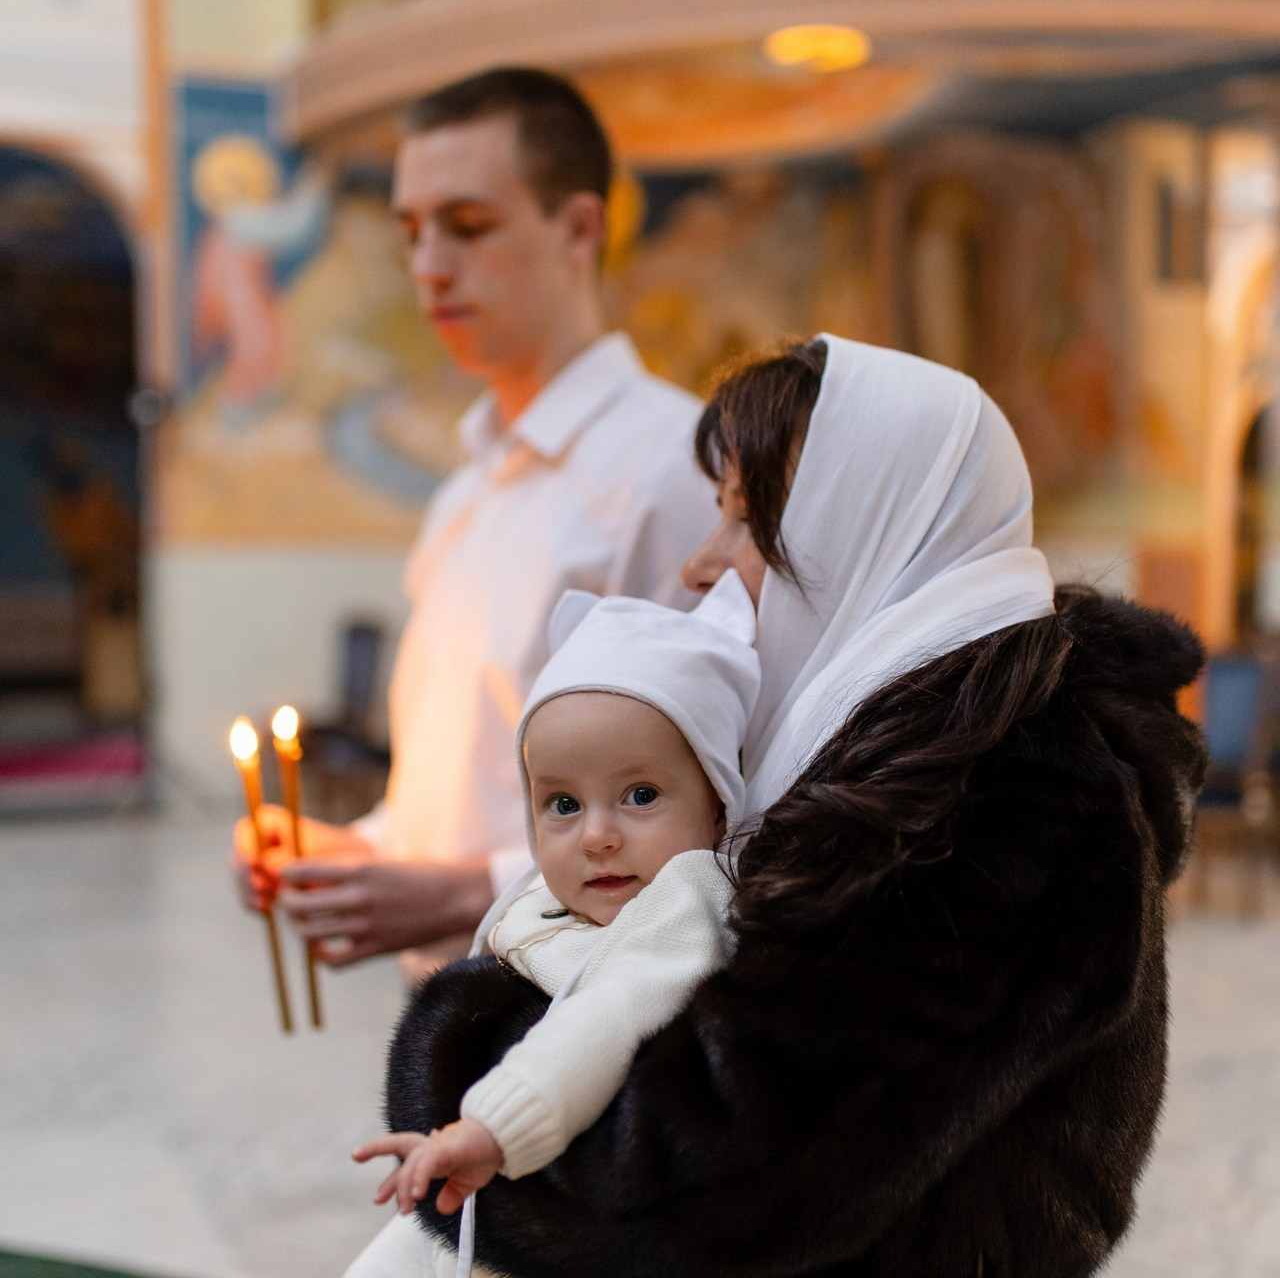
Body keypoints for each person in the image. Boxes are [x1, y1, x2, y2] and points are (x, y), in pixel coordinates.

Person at [381, 334, 1207, 1277]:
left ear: (862, 532)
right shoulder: (903, 742)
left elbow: (709, 1172)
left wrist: (462, 1056)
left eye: (747, 525)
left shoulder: (999, 796)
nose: (699, 565)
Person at [233, 67, 714, 968]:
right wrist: (351, 859)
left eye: (468, 226)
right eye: (413, 233)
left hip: (586, 1016)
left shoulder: (671, 469)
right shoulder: (468, 490)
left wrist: (459, 894)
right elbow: (460, 790)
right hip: (455, 1009)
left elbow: (721, 813)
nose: (428, 269)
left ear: (577, 228)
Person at [349, 568, 760, 1276]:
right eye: (563, 804)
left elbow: (608, 1015)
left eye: (640, 795)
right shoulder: (550, 892)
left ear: (718, 803)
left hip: (565, 1197)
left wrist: (491, 1129)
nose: (597, 835)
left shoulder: (687, 898)